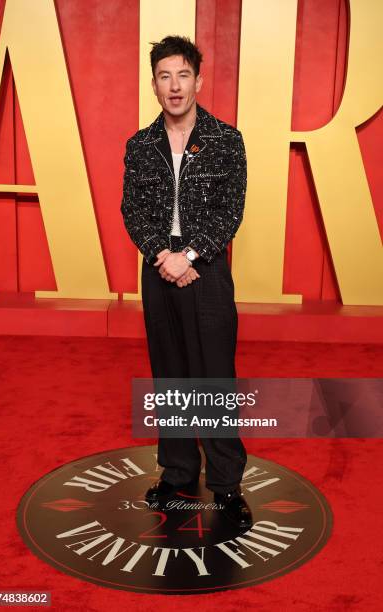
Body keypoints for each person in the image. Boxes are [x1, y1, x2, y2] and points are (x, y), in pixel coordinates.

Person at [121, 36, 251, 529]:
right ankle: (177, 471)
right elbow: (132, 210)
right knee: (170, 374)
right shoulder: (140, 145)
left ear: (198, 79)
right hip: (159, 267)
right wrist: (163, 256)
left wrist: (190, 255)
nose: (173, 86)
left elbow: (229, 211)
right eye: (163, 76)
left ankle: (226, 485)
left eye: (182, 75)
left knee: (213, 376)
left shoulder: (226, 140)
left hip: (207, 266)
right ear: (154, 84)